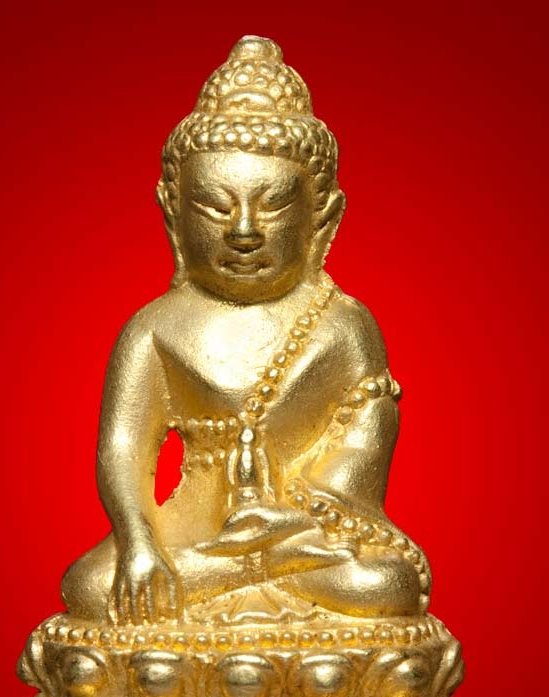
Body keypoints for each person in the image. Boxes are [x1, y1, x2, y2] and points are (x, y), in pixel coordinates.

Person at [61, 36, 429, 627]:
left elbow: (365, 440)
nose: (244, 231)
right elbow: (123, 448)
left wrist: (301, 517)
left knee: (386, 583)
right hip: (194, 537)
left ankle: (256, 566)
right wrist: (138, 541)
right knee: (89, 586)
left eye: (274, 206)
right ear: (172, 212)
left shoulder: (344, 326)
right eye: (215, 206)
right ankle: (248, 569)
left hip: (305, 533)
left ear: (322, 217)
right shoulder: (153, 330)